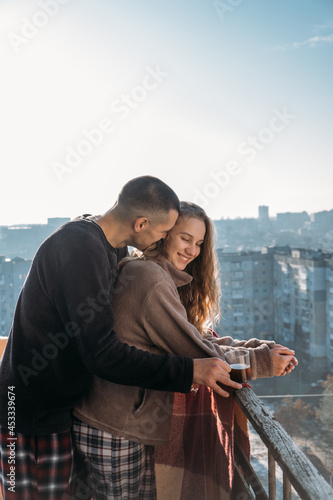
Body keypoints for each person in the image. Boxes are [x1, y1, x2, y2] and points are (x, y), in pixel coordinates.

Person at [0, 177, 237, 500]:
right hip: (28, 413)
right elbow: (102, 353)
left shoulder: (107, 245)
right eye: (165, 232)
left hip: (55, 408)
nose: (163, 239)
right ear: (141, 223)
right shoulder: (81, 248)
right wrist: (189, 371)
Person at [73, 201, 297, 500]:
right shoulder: (148, 278)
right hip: (115, 428)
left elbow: (193, 337)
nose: (193, 250)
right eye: (185, 238)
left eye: (200, 243)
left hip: (114, 423)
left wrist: (254, 348)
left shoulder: (150, 273)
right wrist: (261, 360)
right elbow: (194, 350)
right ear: (164, 234)